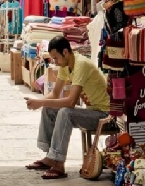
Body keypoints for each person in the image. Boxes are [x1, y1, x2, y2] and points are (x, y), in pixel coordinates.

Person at [24, 36, 110, 180]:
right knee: (49, 109)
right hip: (92, 111)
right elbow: (55, 93)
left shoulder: (81, 64)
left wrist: (41, 102)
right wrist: (38, 101)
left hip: (105, 116)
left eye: (56, 58)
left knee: (65, 112)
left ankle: (58, 164)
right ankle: (50, 157)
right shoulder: (66, 66)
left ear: (65, 52)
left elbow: (70, 102)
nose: (55, 62)